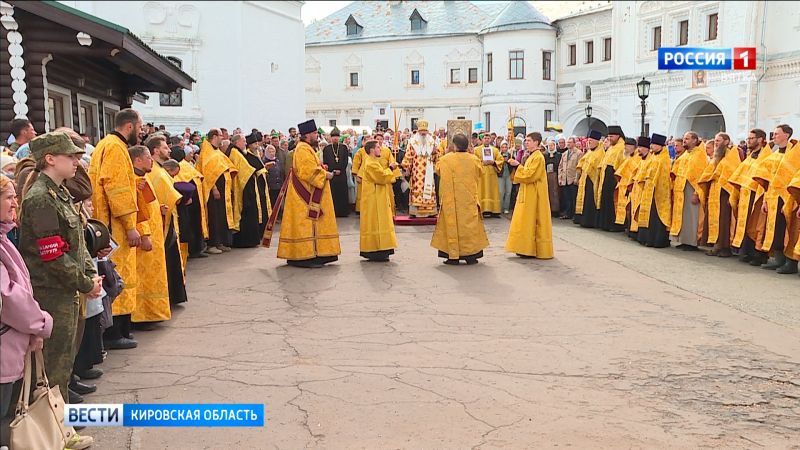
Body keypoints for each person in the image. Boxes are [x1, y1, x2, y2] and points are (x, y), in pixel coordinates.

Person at [18, 133, 103, 418]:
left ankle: (60, 421)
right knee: (54, 363)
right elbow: (52, 255)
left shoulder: (59, 192)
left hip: (66, 290)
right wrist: (85, 282)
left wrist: (90, 273)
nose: (77, 162)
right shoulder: (41, 198)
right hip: (52, 292)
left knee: (64, 361)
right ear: (50, 159)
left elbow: (75, 240)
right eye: (71, 157)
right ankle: (55, 427)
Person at [0, 174, 54, 446]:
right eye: (9, 197)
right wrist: (40, 323)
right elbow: (8, 297)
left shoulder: (4, 238)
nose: (14, 203)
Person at [88, 108, 143, 349]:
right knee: (116, 276)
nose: (141, 134)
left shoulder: (105, 144)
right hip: (115, 225)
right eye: (140, 129)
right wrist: (131, 226)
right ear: (129, 127)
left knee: (112, 274)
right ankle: (115, 332)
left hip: (107, 222)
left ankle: (118, 330)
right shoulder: (116, 148)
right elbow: (118, 190)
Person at [272, 120, 341, 268]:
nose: (317, 136)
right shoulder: (302, 149)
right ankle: (303, 257)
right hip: (303, 196)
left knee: (313, 223)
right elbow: (307, 171)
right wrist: (325, 174)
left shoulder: (307, 147)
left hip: (309, 192)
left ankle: (319, 254)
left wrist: (321, 168)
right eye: (315, 133)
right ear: (308, 135)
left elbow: (312, 166)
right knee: (305, 224)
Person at [431, 133, 489, 265]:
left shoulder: (446, 159)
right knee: (469, 227)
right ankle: (471, 256)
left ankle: (453, 255)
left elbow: (438, 170)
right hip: (469, 199)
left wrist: (445, 153)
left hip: (452, 200)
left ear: (454, 145)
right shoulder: (474, 159)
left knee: (452, 226)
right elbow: (481, 172)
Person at [144, 136, 187, 306]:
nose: (169, 150)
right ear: (156, 150)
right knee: (167, 257)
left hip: (166, 217)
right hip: (160, 221)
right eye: (165, 148)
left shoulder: (159, 168)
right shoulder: (155, 170)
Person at [752, 124, 800, 273]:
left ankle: (789, 263)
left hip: (788, 197)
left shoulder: (794, 155)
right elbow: (767, 180)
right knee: (775, 231)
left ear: (787, 135)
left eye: (777, 134)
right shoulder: (773, 155)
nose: (773, 136)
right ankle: (777, 259)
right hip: (773, 197)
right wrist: (765, 200)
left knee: (788, 229)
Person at [505, 132, 554, 259]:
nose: (526, 142)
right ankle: (524, 247)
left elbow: (530, 175)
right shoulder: (531, 155)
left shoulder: (538, 157)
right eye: (525, 140)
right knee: (524, 220)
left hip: (535, 193)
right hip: (528, 191)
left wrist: (518, 165)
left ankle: (531, 249)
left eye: (529, 140)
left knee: (532, 220)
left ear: (537, 142)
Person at [729, 129, 772, 265]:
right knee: (746, 222)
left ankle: (758, 254)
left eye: (751, 138)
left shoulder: (766, 157)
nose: (748, 141)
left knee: (756, 224)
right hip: (745, 193)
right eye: (748, 138)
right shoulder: (751, 155)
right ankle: (746, 251)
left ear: (760, 140)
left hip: (757, 194)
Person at [699, 132, 741, 257]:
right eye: (715, 141)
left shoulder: (732, 156)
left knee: (724, 221)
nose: (716, 143)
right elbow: (709, 171)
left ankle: (725, 247)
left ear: (726, 142)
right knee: (714, 219)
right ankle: (716, 245)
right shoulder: (717, 156)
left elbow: (733, 174)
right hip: (714, 191)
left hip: (725, 193)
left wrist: (716, 176)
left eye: (719, 141)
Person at [196, 129, 235, 254]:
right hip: (213, 191)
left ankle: (221, 242)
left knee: (221, 215)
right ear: (214, 136)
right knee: (214, 216)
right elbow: (207, 173)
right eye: (220, 135)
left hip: (223, 189)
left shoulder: (216, 151)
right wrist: (214, 188)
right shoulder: (207, 152)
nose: (222, 137)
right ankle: (212, 243)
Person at [359, 140, 398, 262]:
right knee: (376, 223)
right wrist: (391, 168)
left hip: (377, 197)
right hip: (374, 199)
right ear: (371, 150)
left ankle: (381, 249)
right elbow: (381, 177)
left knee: (378, 222)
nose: (380, 149)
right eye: (378, 147)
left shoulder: (372, 161)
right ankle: (376, 250)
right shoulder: (370, 163)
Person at [670, 131, 709, 251]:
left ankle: (692, 242)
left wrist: (696, 192)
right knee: (683, 215)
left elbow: (701, 175)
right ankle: (683, 240)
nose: (684, 141)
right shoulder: (686, 154)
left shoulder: (700, 155)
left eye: (687, 139)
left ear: (694, 140)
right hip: (681, 189)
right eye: (684, 138)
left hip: (692, 189)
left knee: (692, 216)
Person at [635, 134, 672, 248]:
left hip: (659, 191)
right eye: (651, 144)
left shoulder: (664, 159)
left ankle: (659, 240)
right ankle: (648, 239)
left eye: (654, 144)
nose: (652, 146)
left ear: (660, 146)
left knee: (657, 216)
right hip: (649, 190)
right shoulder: (654, 157)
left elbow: (664, 176)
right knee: (650, 216)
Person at [171, 146, 208, 262]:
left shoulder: (184, 165)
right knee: (190, 226)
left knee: (193, 225)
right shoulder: (179, 166)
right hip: (187, 201)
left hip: (192, 200)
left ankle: (196, 249)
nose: (192, 155)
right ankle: (192, 250)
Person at [402, 119, 439, 218]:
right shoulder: (412, 142)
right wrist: (406, 167)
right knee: (417, 188)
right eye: (421, 131)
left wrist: (435, 152)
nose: (423, 133)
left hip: (429, 169)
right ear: (418, 131)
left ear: (427, 131)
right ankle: (416, 211)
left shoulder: (432, 141)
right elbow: (408, 155)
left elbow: (437, 157)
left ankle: (430, 211)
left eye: (425, 131)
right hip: (416, 171)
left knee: (429, 188)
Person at [596, 126, 626, 231]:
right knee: (606, 199)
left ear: (618, 136)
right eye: (608, 136)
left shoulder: (622, 147)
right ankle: (605, 223)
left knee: (613, 200)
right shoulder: (612, 146)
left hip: (614, 177)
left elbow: (622, 163)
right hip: (607, 176)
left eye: (611, 136)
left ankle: (614, 225)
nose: (609, 138)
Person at [574, 130, 605, 228]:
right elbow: (581, 164)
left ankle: (590, 221)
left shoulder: (600, 153)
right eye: (588, 140)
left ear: (597, 141)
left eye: (591, 140)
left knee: (590, 200)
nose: (589, 142)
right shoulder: (589, 152)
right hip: (584, 179)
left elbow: (598, 167)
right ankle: (582, 219)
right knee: (583, 199)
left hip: (593, 180)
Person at [322, 128, 351, 217]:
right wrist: (332, 170)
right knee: (333, 193)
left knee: (342, 192)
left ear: (339, 137)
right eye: (333, 137)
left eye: (337, 137)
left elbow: (346, 161)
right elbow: (325, 162)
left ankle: (343, 212)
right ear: (330, 138)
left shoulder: (343, 147)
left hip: (341, 174)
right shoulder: (327, 149)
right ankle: (333, 211)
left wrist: (341, 170)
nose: (335, 138)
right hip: (331, 174)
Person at [474, 132, 504, 218]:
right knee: (481, 190)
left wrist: (493, 162)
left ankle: (494, 210)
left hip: (491, 173)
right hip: (481, 174)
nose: (486, 140)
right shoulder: (477, 150)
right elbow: (474, 160)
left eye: (488, 138)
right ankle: (481, 209)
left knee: (492, 191)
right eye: (485, 138)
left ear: (490, 139)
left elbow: (500, 160)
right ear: (482, 139)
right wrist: (481, 162)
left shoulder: (495, 150)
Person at [613, 137, 640, 228]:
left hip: (632, 186)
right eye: (625, 145)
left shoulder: (637, 157)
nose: (625, 148)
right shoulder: (629, 156)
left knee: (630, 207)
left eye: (627, 146)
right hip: (624, 184)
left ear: (633, 147)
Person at [558, 136, 582, 220]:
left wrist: (577, 178)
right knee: (567, 198)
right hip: (565, 179)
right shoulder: (564, 154)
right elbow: (560, 167)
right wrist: (560, 178)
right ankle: (568, 213)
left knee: (574, 197)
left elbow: (579, 166)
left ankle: (575, 214)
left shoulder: (579, 153)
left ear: (574, 143)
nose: (568, 144)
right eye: (567, 142)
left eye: (570, 142)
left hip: (573, 178)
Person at [498, 142, 514, 214]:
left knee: (508, 192)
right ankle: (500, 207)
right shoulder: (498, 155)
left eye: (505, 147)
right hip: (501, 175)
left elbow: (513, 164)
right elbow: (496, 164)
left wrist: (508, 161)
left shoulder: (510, 155)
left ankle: (506, 207)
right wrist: (502, 161)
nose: (504, 149)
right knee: (501, 192)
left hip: (508, 175)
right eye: (503, 147)